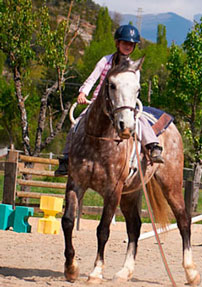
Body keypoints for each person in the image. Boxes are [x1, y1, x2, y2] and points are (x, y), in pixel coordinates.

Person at [55, 24, 164, 176]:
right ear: (117, 43)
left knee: (140, 121)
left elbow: (134, 88)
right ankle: (66, 159)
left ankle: (153, 146)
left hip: (124, 104)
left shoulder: (134, 67)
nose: (128, 46)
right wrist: (83, 92)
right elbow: (93, 78)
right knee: (77, 124)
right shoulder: (105, 61)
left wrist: (131, 105)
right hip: (100, 103)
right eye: (125, 43)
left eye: (131, 44)